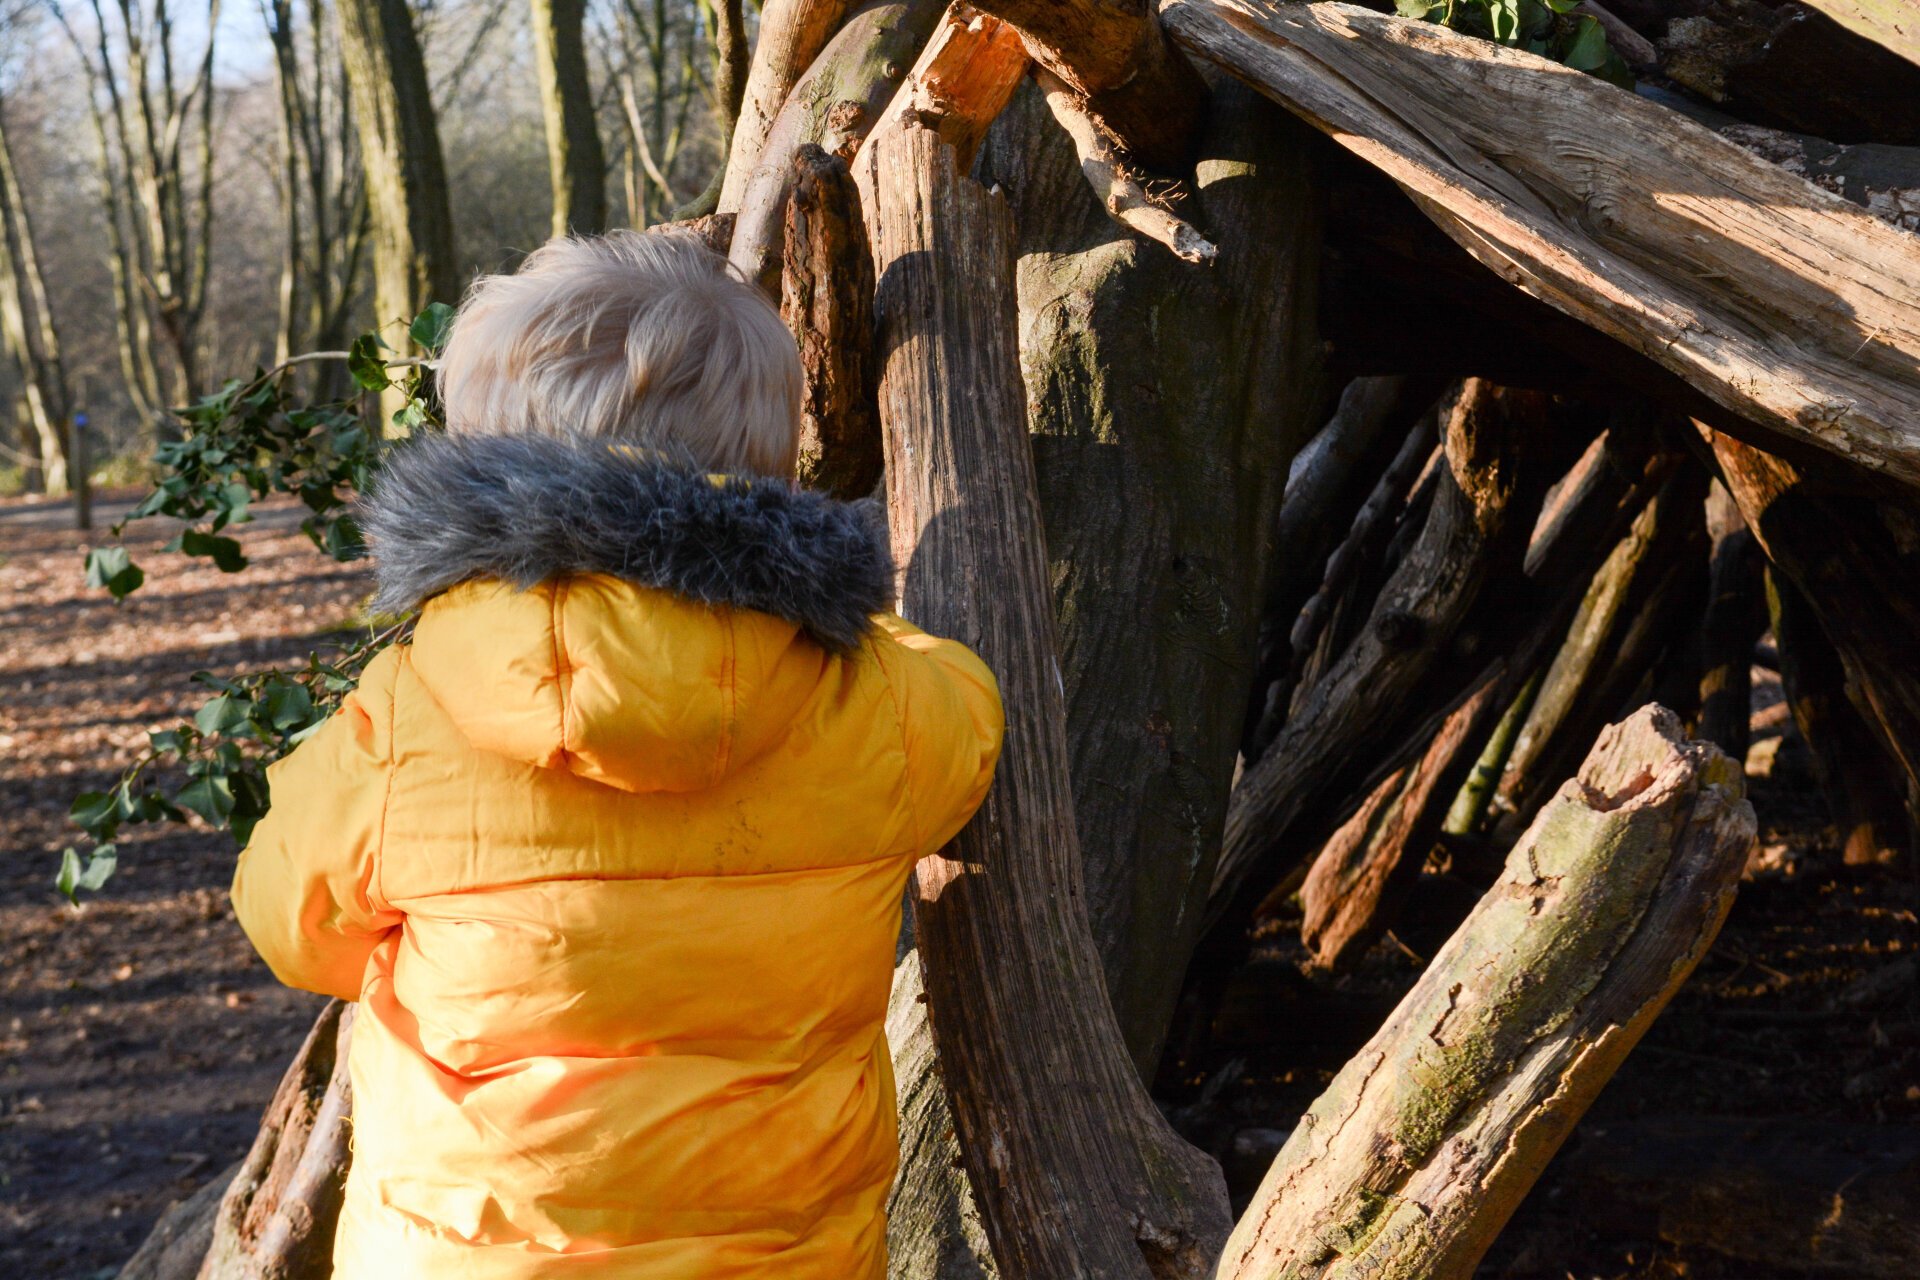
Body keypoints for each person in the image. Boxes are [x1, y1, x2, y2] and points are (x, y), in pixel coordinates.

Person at [230, 231, 1004, 1279]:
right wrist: (885, 630)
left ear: (489, 470)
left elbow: (293, 924)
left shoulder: (411, 713)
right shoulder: (879, 703)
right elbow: (971, 715)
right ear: (765, 464)